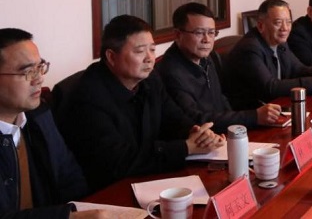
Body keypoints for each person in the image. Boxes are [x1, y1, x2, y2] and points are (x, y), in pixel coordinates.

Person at [61, 15, 225, 192]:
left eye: (152, 50)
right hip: (108, 190)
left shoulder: (150, 79)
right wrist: (185, 147)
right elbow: (118, 160)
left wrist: (197, 133)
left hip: (147, 178)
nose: (149, 58)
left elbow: (173, 117)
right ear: (111, 56)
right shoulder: (88, 96)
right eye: (139, 51)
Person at [0, 28, 105, 218]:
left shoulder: (39, 116)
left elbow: (70, 179)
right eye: (28, 71)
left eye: (40, 67)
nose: (39, 79)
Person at [155, 3, 282, 132]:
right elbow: (195, 120)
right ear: (178, 35)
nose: (207, 40)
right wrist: (253, 117)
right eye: (199, 33)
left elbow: (221, 100)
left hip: (222, 133)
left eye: (211, 33)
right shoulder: (170, 71)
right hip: (199, 138)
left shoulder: (207, 58)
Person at [224, 0, 312, 109]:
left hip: (276, 106)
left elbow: (298, 69)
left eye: (288, 22)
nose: (285, 28)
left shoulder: (280, 42)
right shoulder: (250, 49)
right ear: (260, 26)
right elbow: (270, 88)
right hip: (252, 113)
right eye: (278, 23)